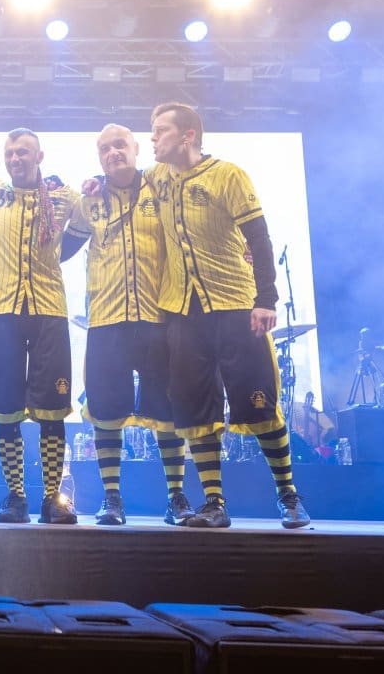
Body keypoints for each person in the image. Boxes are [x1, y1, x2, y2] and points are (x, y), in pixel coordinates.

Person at [144, 103, 310, 528]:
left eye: (160, 130)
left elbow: (259, 236)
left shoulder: (228, 175)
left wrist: (266, 298)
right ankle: (214, 503)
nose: (152, 138)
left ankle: (289, 496)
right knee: (197, 411)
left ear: (188, 135)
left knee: (259, 400)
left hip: (236, 305)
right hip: (183, 312)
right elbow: (120, 179)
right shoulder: (156, 177)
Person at [61, 124, 195, 526]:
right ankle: (111, 499)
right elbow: (62, 250)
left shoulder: (162, 186)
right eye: (105, 148)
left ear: (136, 148)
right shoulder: (89, 200)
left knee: (167, 412)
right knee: (105, 412)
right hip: (106, 321)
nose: (113, 152)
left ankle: (176, 498)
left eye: (120, 145)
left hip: (158, 318)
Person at [0, 128, 80, 524]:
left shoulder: (64, 197)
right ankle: (15, 497)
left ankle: (53, 498)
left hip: (49, 310)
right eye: (10, 153)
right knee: (5, 410)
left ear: (39, 156)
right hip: (1, 311)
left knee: (53, 410)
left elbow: (85, 222)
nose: (16, 159)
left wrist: (55, 255)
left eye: (23, 152)